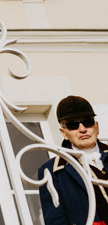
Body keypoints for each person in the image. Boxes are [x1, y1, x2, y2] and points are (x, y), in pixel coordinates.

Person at [38, 95, 108, 225]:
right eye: (73, 125)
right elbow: (56, 222)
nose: (82, 129)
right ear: (63, 133)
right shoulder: (52, 171)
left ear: (96, 127)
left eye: (88, 122)